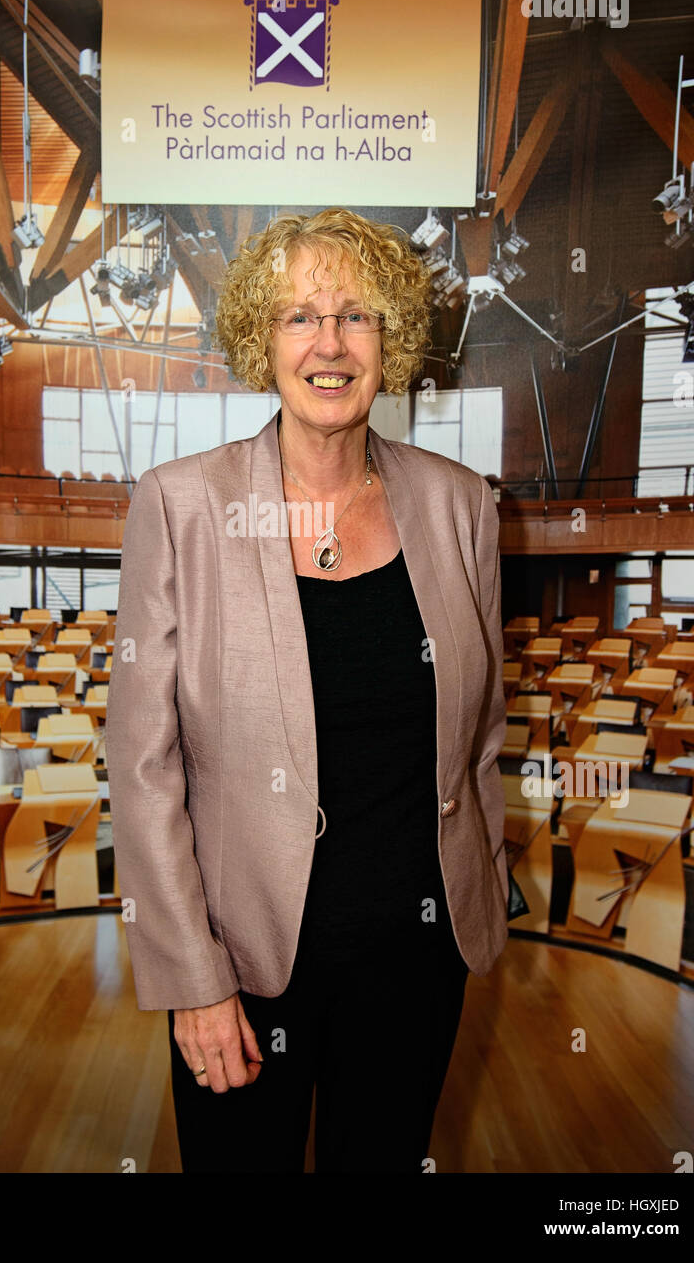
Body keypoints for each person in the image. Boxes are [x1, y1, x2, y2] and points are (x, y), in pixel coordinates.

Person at [106, 207, 509, 1173]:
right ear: (261, 340)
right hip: (247, 968)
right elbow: (143, 764)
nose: (328, 344)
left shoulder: (460, 505)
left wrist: (475, 902)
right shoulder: (180, 504)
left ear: (392, 340)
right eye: (298, 317)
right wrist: (191, 978)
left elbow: (480, 734)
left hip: (417, 959)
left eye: (356, 317)